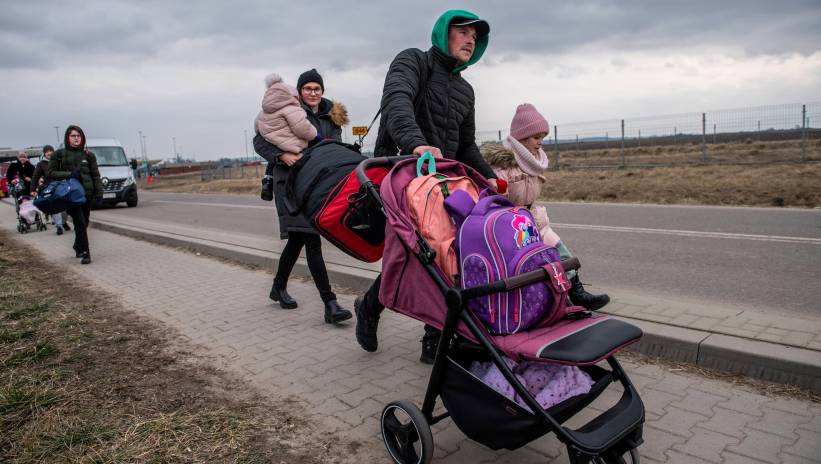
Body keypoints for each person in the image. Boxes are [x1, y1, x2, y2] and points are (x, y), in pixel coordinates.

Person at [355, 9, 498, 363]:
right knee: (418, 254)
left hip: (442, 182)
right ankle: (372, 308)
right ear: (443, 33)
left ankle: (433, 339)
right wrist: (416, 143)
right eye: (463, 32)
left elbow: (466, 145)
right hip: (403, 173)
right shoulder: (413, 61)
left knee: (444, 255)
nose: (470, 40)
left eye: (475, 37)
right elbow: (397, 102)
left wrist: (489, 177)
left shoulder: (465, 90)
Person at [481, 103, 610, 310]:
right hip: (511, 224)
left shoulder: (534, 162)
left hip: (532, 218)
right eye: (536, 137)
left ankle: (576, 292)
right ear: (522, 138)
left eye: (543, 136)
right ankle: (546, 299)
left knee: (561, 253)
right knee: (534, 264)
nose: (541, 142)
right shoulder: (502, 165)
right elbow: (493, 197)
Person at [253, 68, 353, 324]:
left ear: (323, 91)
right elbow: (259, 141)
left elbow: (333, 148)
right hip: (291, 184)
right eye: (307, 88)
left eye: (316, 88)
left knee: (297, 240)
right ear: (299, 91)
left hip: (318, 185)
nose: (312, 92)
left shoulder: (332, 117)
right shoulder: (285, 109)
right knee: (311, 240)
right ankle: (330, 304)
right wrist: (280, 155)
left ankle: (278, 287)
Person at [48, 125, 103, 264]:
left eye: (79, 136)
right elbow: (51, 173)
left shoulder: (89, 155)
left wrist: (99, 193)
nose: (76, 138)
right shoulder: (59, 155)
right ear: (68, 137)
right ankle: (86, 253)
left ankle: (78, 245)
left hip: (86, 194)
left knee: (84, 222)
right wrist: (70, 174)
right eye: (73, 135)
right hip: (70, 195)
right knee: (80, 222)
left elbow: (95, 175)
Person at [31, 145, 70, 235]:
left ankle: (63, 222)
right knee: (56, 207)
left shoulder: (59, 161)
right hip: (50, 188)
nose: (49, 153)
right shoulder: (41, 164)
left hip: (61, 186)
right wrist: (33, 189)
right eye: (47, 152)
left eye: (50, 151)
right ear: (44, 154)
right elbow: (35, 176)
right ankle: (59, 226)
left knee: (65, 207)